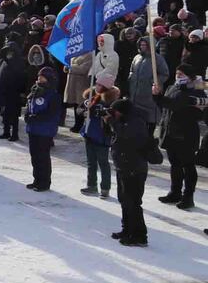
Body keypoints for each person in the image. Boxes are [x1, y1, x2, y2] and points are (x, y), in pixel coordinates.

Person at [153, 65, 206, 210]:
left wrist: (159, 97)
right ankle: (175, 192)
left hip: (186, 134)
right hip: (171, 132)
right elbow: (165, 108)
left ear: (190, 76)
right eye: (177, 73)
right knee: (174, 164)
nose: (178, 76)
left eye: (181, 74)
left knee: (187, 166)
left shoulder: (197, 90)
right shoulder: (173, 87)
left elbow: (177, 105)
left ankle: (188, 196)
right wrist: (157, 97)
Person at [107, 98, 150, 247]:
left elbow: (126, 136)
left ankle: (139, 235)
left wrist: (113, 122)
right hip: (123, 167)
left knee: (133, 202)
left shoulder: (136, 122)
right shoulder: (124, 121)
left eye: (116, 112)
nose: (114, 114)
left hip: (134, 168)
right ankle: (127, 229)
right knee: (124, 200)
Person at [80, 73, 119, 197]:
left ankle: (105, 188)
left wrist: (101, 112)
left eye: (100, 84)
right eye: (96, 83)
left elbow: (113, 117)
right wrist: (85, 110)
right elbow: (80, 109)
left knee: (103, 162)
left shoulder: (110, 101)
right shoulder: (91, 96)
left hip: (102, 135)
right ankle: (91, 185)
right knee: (91, 162)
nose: (97, 86)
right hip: (89, 133)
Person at [24, 66, 61, 191]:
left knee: (43, 156)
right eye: (39, 76)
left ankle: (44, 182)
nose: (39, 79)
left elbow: (52, 113)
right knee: (34, 155)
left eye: (42, 77)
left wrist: (37, 117)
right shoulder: (34, 91)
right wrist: (27, 115)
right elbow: (30, 106)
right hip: (33, 128)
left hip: (45, 130)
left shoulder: (53, 95)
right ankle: (36, 179)